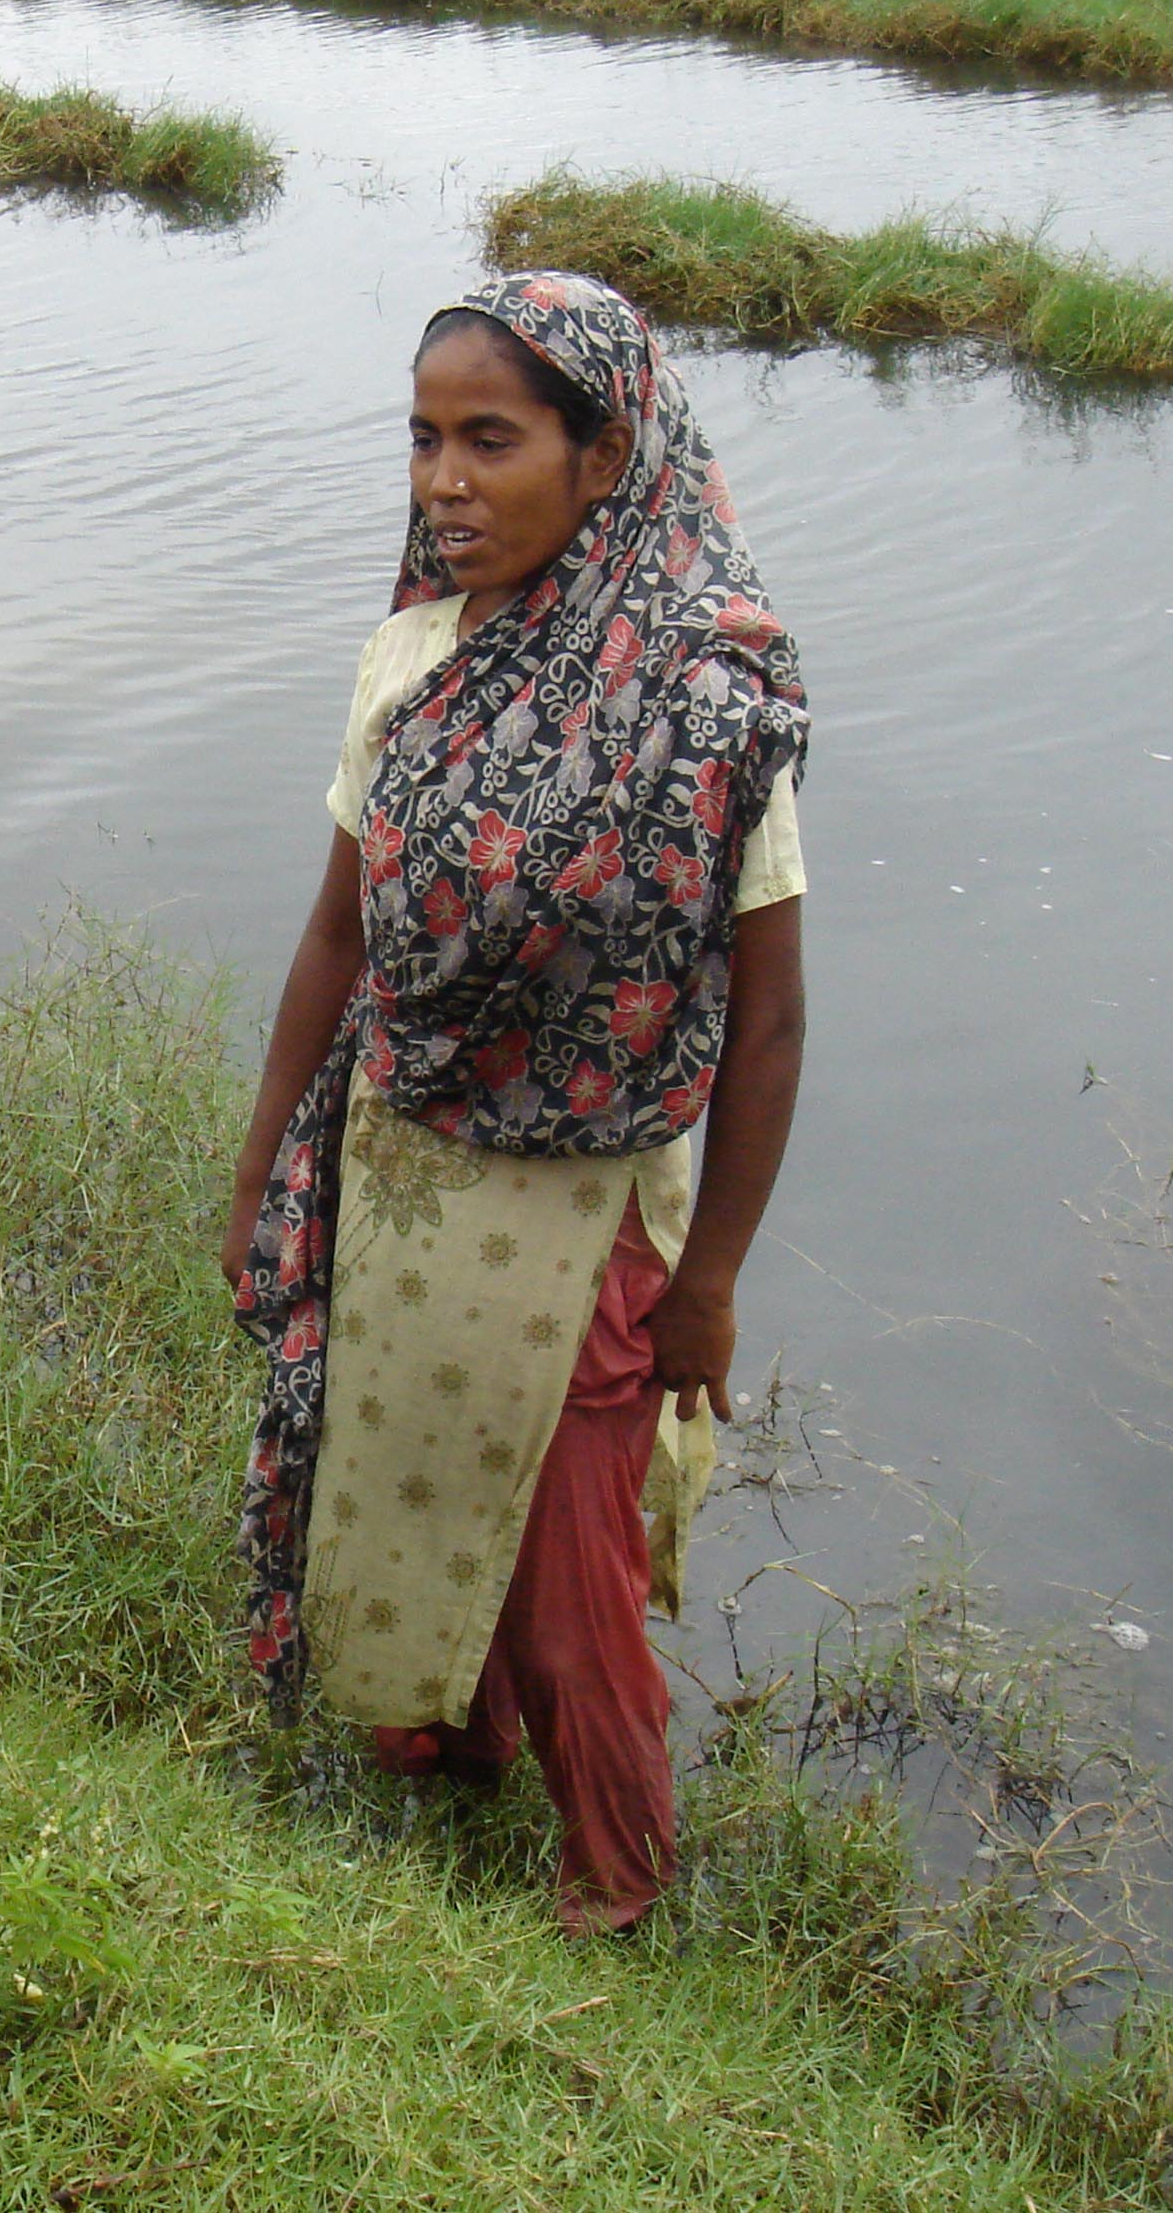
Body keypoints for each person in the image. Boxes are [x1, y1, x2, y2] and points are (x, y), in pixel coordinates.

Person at [224, 273, 810, 1934]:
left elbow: (766, 1030)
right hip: (404, 1166)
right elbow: (337, 935)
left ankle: (616, 1874)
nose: (444, 482)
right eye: (422, 441)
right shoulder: (412, 660)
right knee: (402, 1480)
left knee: (568, 1584)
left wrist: (709, 1285)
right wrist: (268, 1172)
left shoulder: (713, 700)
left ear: (605, 451)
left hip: (588, 1215)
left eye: (492, 439)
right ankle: (452, 1746)